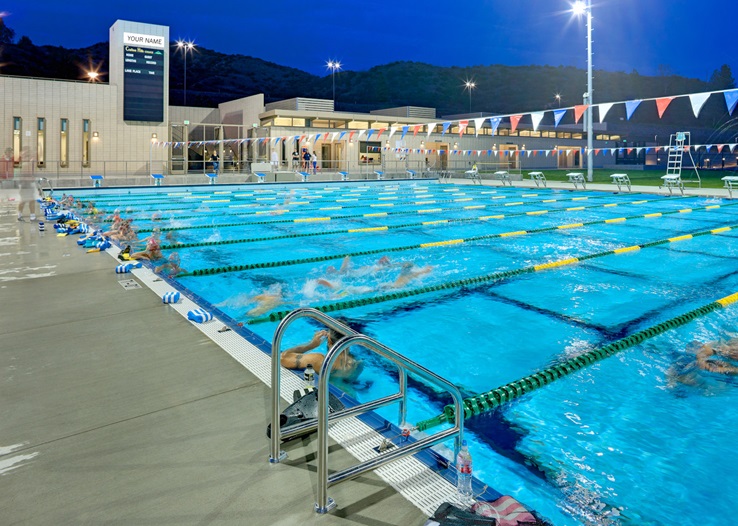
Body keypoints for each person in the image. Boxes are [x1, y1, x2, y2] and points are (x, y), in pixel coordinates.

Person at [280, 325, 363, 381]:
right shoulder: (358, 363)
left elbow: (283, 358)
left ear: (329, 340)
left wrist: (311, 345)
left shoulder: (320, 361)